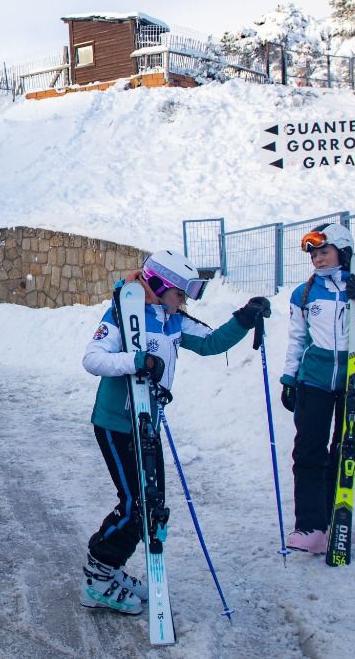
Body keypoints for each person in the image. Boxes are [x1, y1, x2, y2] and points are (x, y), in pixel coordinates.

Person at [81, 250, 270, 614]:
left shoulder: (172, 320)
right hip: (116, 425)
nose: (183, 300)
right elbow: (92, 358)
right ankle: (97, 577)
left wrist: (245, 318)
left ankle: (109, 569)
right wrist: (134, 361)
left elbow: (211, 343)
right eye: (180, 292)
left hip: (146, 423)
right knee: (136, 505)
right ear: (158, 286)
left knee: (151, 506)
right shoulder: (121, 312)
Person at [280, 223, 355, 554]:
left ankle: (337, 514)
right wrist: (289, 378)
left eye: (324, 252)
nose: (318, 260)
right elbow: (296, 339)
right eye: (314, 255)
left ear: (343, 251)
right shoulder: (304, 294)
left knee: (347, 451)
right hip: (315, 379)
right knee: (308, 451)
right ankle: (311, 525)